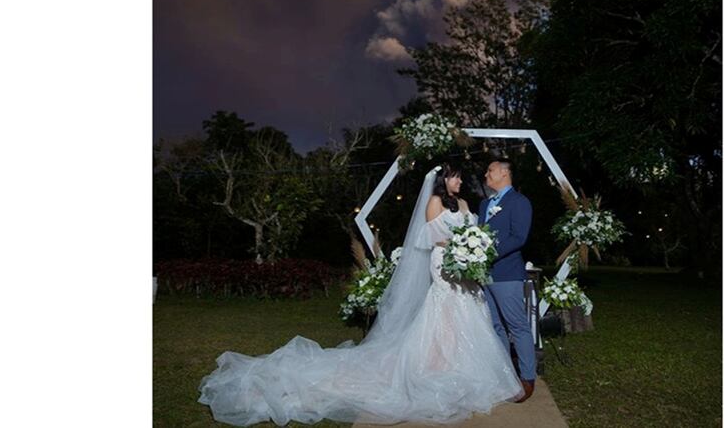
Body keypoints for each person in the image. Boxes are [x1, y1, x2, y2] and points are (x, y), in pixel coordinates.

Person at [196, 163, 525, 426]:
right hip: (444, 265)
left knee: (468, 316)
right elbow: (431, 239)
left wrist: (471, 250)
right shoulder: (434, 202)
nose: (459, 182)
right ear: (443, 180)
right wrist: (460, 248)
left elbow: (471, 232)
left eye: (459, 178)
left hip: (465, 270)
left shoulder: (467, 203)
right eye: (454, 177)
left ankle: (463, 367)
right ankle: (436, 365)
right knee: (444, 314)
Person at [479, 157, 536, 401]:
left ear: (504, 173)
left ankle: (527, 380)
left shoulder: (520, 202)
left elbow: (519, 237)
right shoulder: (484, 204)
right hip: (483, 275)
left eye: (490, 170)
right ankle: (504, 377)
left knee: (517, 326)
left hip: (507, 274)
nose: (486, 175)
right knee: (495, 327)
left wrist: (486, 253)